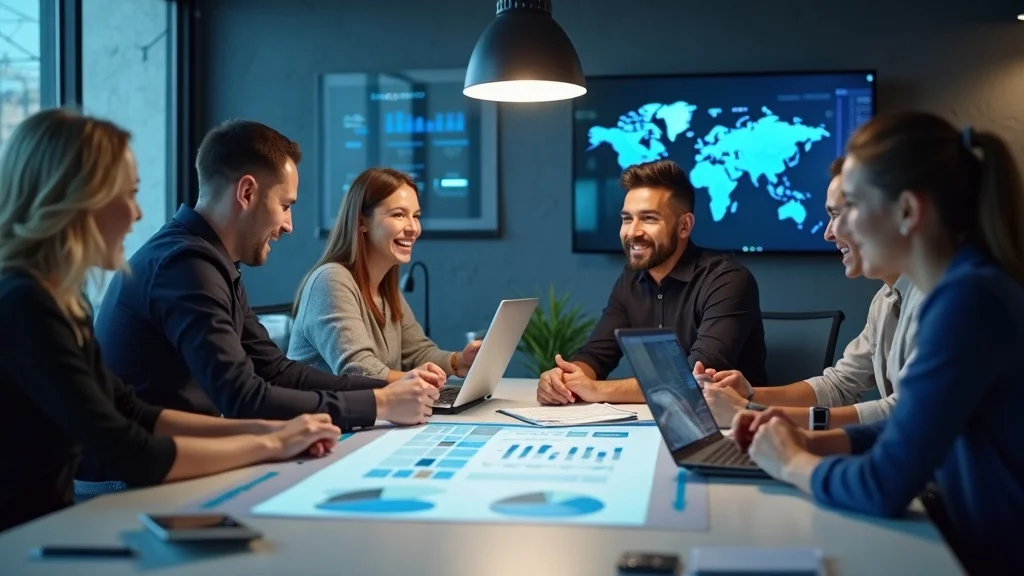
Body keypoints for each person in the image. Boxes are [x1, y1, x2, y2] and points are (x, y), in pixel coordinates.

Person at [0, 109, 343, 533]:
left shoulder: (61, 301)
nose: (137, 214)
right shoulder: (25, 306)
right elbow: (128, 449)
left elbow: (133, 411)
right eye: (125, 194)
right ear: (72, 199)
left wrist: (270, 431)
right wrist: (268, 443)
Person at [731, 112, 1024, 574]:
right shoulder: (964, 289)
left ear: (907, 212)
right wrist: (811, 441)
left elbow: (883, 484)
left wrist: (790, 462)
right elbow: (910, 425)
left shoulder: (968, 302)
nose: (837, 228)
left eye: (850, 206)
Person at [95, 120, 440, 430]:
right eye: (286, 205)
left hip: (173, 462)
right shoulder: (185, 265)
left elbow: (276, 371)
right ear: (247, 193)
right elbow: (243, 398)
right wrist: (379, 403)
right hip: (130, 485)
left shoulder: (211, 261)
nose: (289, 225)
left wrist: (388, 389)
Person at [702, 157, 923, 428]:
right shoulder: (885, 299)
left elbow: (908, 413)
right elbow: (840, 386)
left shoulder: (940, 300)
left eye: (839, 215)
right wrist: (748, 395)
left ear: (900, 212)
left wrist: (751, 413)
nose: (829, 234)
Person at [536, 159, 767, 405]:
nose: (632, 232)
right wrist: (564, 379)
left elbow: (694, 381)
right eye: (627, 219)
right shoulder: (630, 279)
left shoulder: (728, 280)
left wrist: (597, 389)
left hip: (734, 427)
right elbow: (596, 354)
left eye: (648, 218)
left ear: (684, 226)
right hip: (657, 421)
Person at [288, 167, 481, 381]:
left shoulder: (386, 290)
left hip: (372, 411)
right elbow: (359, 370)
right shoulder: (330, 280)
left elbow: (417, 353)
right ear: (362, 222)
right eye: (399, 214)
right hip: (322, 413)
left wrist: (458, 361)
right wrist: (417, 381)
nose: (413, 228)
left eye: (415, 216)